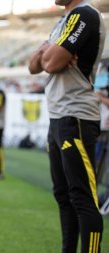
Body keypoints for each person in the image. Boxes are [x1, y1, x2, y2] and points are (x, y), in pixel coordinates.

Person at [28, 0, 106, 252]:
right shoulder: (62, 22)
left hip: (77, 117)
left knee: (82, 198)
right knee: (64, 196)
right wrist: (51, 49)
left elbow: (48, 64)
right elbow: (33, 66)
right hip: (59, 118)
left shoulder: (83, 14)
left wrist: (48, 53)